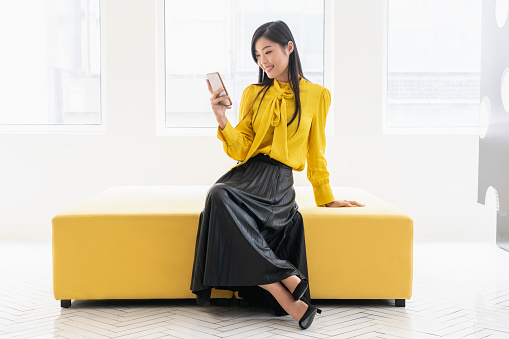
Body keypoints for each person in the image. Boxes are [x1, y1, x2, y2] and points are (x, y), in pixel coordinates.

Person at [190, 20, 365, 330]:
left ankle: (284, 290)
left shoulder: (317, 95)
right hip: (247, 176)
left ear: (289, 47)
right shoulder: (252, 93)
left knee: (217, 199)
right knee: (217, 196)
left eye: (268, 51)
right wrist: (221, 119)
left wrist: (327, 196)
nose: (263, 61)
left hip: (279, 183)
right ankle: (287, 284)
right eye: (257, 55)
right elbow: (241, 149)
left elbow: (316, 152)